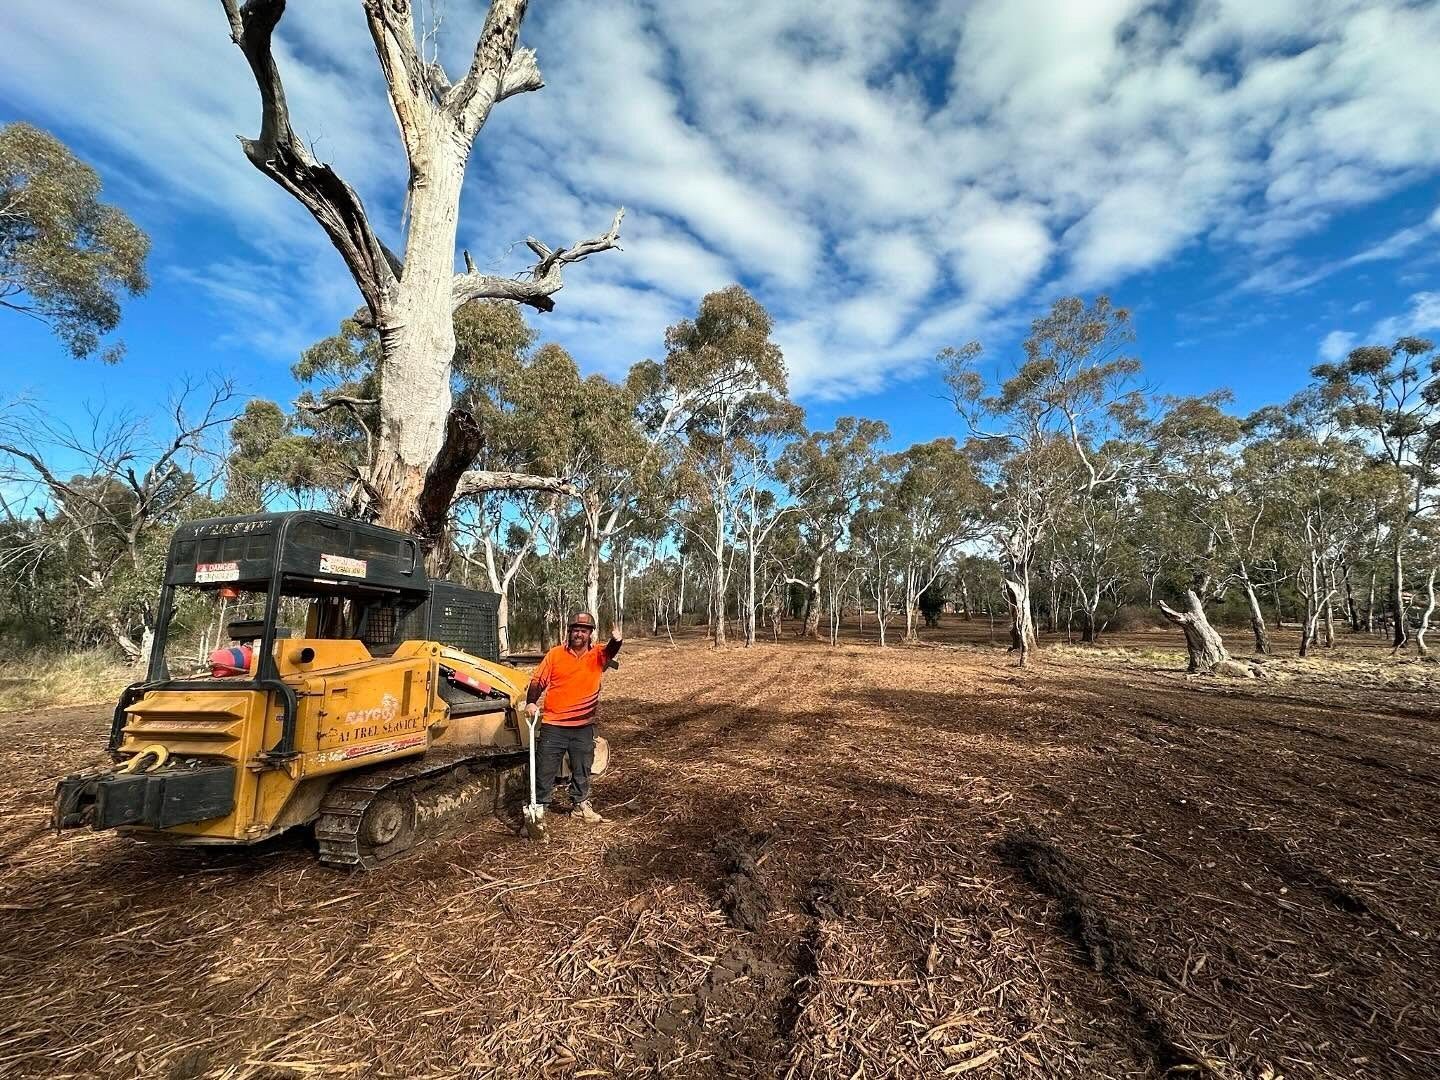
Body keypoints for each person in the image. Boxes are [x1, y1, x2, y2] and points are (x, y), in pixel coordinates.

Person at [525, 611, 621, 829]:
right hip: (553, 724)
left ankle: (580, 805)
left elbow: (611, 651)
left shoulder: (598, 655)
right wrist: (531, 702)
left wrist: (617, 640)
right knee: (545, 769)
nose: (579, 634)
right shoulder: (555, 654)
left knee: (582, 767)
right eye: (575, 629)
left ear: (590, 634)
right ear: (569, 632)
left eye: (584, 631)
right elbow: (537, 680)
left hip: (583, 725)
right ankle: (538, 808)